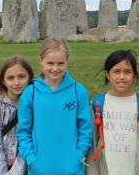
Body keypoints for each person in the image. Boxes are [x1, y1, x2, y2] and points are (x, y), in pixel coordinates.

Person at [16, 38, 92, 175]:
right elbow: (23, 131)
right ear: (41, 60)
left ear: (67, 61)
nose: (55, 68)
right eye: (50, 63)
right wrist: (31, 159)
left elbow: (85, 129)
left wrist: (77, 156)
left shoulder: (78, 91)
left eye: (60, 63)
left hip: (72, 169)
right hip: (39, 169)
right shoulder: (30, 92)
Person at [86, 50, 139, 175]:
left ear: (134, 75)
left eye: (127, 72)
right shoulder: (98, 104)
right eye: (116, 71)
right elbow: (92, 147)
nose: (122, 77)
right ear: (107, 74)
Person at [0, 56, 34, 175]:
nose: (16, 82)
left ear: (29, 77)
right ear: (3, 80)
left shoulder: (35, 103)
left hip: (26, 166)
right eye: (10, 78)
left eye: (21, 76)